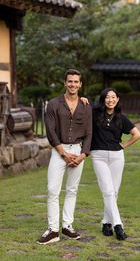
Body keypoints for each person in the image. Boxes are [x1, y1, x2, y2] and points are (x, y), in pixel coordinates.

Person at [37, 69, 92, 245]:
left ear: (80, 84)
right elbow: (50, 131)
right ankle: (53, 230)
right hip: (59, 151)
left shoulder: (86, 105)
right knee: (53, 190)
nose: (73, 84)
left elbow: (90, 133)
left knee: (72, 190)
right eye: (70, 81)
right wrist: (63, 153)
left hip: (77, 151)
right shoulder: (53, 104)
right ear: (65, 83)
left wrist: (83, 155)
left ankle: (67, 226)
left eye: (76, 82)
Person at [90, 88, 140, 241]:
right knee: (108, 191)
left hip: (117, 157)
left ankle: (106, 223)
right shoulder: (95, 114)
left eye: (113, 97)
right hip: (98, 156)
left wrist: (124, 145)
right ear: (103, 99)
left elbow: (137, 134)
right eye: (107, 97)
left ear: (117, 100)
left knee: (114, 191)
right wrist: (84, 100)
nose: (110, 100)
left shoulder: (121, 117)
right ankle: (118, 225)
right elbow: (82, 106)